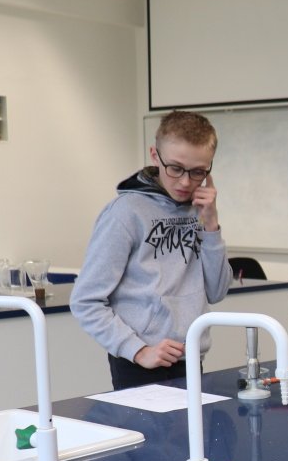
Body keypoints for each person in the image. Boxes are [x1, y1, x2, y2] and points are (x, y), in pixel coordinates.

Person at [71, 110, 232, 390]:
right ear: (155, 156)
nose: (185, 182)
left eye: (198, 172)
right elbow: (85, 301)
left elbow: (217, 291)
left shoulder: (201, 210)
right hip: (140, 363)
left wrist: (211, 224)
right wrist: (138, 350)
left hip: (191, 357)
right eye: (175, 168)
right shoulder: (125, 213)